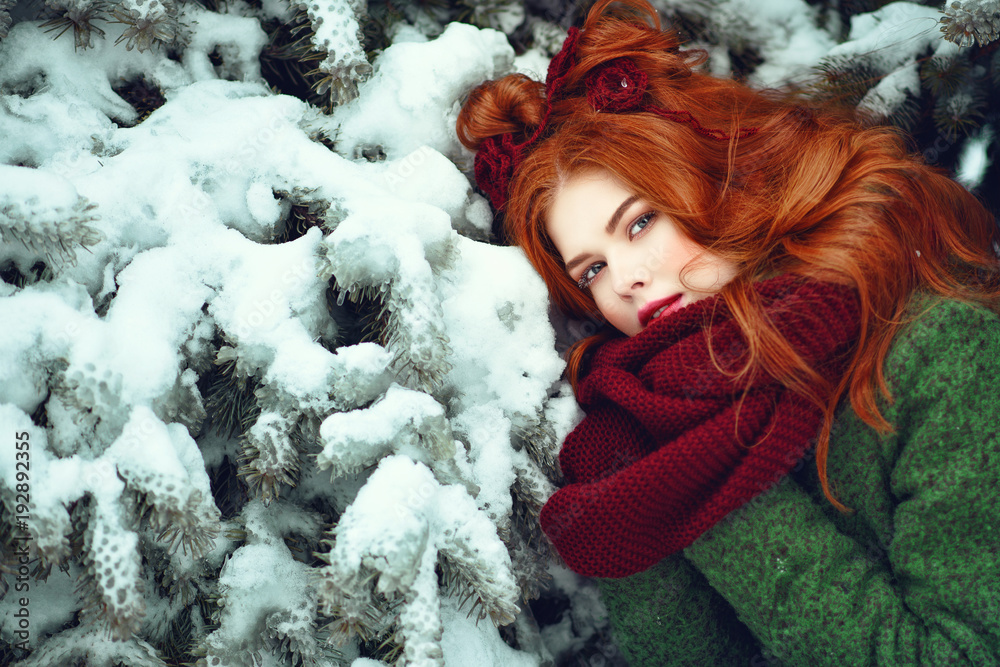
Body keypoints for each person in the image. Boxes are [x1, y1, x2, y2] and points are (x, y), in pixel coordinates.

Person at [457, 0, 1000, 665]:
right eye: (592, 268)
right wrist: (677, 464)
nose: (624, 278)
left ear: (718, 178)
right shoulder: (628, 447)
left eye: (639, 223)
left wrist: (705, 480)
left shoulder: (942, 351)